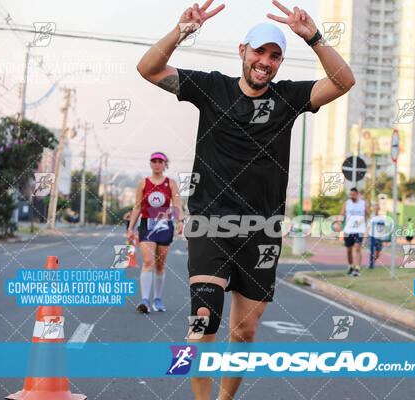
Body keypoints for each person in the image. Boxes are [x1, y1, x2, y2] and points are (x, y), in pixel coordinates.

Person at [136, 1, 354, 398]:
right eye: (259, 51)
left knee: (245, 332)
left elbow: (343, 82)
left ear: (279, 62)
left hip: (263, 232)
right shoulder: (210, 87)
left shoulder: (288, 98)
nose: (265, 61)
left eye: (274, 55)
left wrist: (315, 38)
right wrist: (181, 31)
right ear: (243, 51)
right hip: (210, 224)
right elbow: (148, 69)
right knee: (204, 323)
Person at [127, 152, 184, 313]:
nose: (157, 164)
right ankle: (144, 300)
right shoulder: (143, 183)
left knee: (160, 265)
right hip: (147, 225)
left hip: (165, 226)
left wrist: (181, 222)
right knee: (147, 262)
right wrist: (130, 229)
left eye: (160, 161)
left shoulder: (171, 183)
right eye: (154, 161)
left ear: (165, 164)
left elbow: (177, 205)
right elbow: (137, 207)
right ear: (150, 164)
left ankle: (157, 299)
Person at [341, 188, 369, 276]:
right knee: (349, 250)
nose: (351, 196)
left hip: (359, 230)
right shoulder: (346, 203)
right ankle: (350, 267)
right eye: (350, 194)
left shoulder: (363, 204)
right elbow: (342, 214)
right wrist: (339, 223)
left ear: (357, 194)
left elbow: (368, 215)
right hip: (348, 230)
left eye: (353, 194)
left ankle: (357, 269)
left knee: (357, 247)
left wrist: (363, 220)